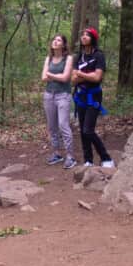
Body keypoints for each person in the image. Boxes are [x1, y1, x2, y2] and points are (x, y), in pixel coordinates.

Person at [71, 27, 113, 168]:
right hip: (80, 96)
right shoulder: (79, 57)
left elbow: (97, 77)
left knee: (88, 129)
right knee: (82, 130)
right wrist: (85, 76)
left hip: (93, 96)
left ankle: (106, 158)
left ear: (93, 38)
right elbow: (73, 80)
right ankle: (88, 160)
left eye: (87, 35)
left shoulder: (98, 55)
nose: (84, 37)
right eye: (82, 35)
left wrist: (81, 74)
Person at [40, 34, 76, 168]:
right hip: (49, 95)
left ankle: (70, 156)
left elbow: (66, 78)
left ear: (63, 44)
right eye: (54, 40)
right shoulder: (48, 58)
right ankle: (56, 153)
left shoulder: (68, 59)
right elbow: (43, 78)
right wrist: (56, 76)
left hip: (63, 96)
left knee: (63, 125)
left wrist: (50, 75)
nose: (55, 42)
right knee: (52, 126)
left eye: (59, 40)